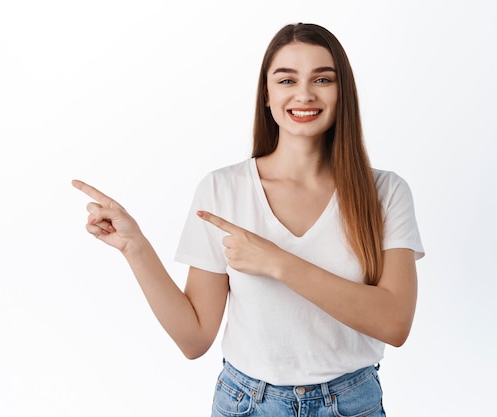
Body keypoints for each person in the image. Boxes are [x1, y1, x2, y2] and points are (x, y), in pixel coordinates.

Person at [73, 22, 424, 417]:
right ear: (267, 94)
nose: (304, 94)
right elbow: (194, 339)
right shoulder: (223, 190)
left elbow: (395, 323)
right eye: (287, 79)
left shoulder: (386, 193)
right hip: (248, 405)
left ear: (343, 92)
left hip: (351, 403)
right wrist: (134, 247)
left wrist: (277, 262)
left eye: (322, 79)